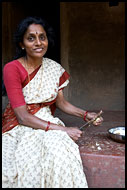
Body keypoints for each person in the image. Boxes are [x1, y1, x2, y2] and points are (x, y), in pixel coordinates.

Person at [2, 16, 103, 188]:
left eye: (42, 37)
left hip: (48, 122)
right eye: (31, 38)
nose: (38, 43)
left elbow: (61, 103)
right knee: (22, 163)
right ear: (22, 44)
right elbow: (22, 117)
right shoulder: (12, 68)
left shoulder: (53, 68)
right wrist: (64, 130)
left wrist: (86, 115)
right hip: (20, 126)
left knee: (60, 150)